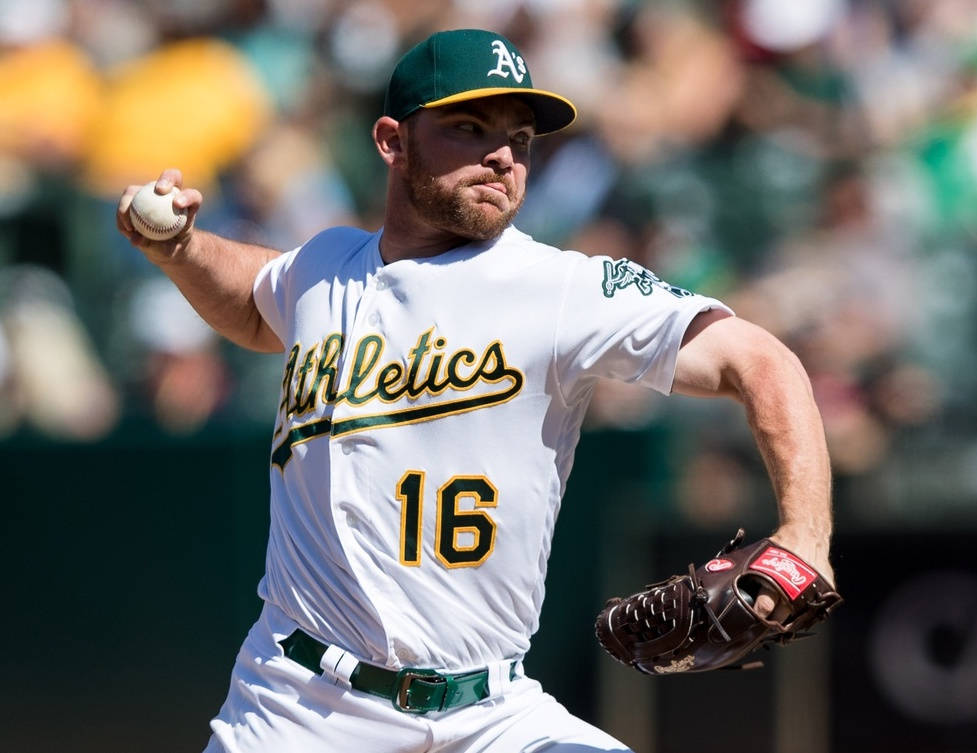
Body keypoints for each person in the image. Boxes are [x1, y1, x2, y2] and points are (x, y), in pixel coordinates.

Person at [116, 28, 834, 753]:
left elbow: (761, 360)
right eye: (468, 128)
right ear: (392, 140)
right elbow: (253, 299)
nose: (502, 156)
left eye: (520, 139)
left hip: (492, 713)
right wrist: (181, 248)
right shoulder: (325, 264)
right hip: (298, 708)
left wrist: (805, 534)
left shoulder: (560, 288)